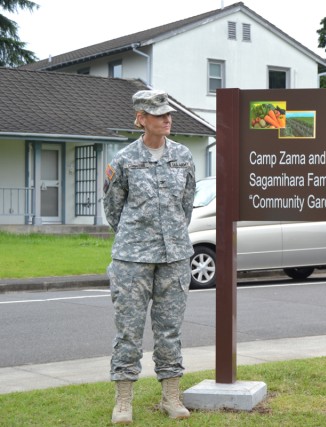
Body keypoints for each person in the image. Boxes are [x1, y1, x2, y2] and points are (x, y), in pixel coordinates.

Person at [103, 89, 196, 424]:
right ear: (141, 118)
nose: (167, 119)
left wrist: (168, 235)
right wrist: (138, 238)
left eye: (168, 114)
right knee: (128, 330)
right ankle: (123, 402)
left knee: (169, 330)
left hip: (174, 257)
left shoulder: (184, 156)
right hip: (132, 259)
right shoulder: (124, 160)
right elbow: (113, 209)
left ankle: (171, 397)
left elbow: (185, 205)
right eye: (159, 115)